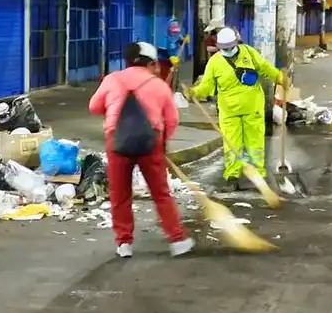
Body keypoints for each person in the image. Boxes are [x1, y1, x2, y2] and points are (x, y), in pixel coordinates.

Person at [89, 42, 194, 258]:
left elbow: (94, 107)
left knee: (120, 194)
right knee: (161, 194)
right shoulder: (158, 85)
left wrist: (113, 110)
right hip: (151, 143)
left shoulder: (112, 79)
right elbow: (172, 120)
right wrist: (162, 142)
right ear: (152, 63)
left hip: (117, 141)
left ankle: (124, 243)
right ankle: (177, 240)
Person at [189, 28, 289, 191]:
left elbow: (264, 67)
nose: (228, 51)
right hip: (228, 111)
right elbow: (207, 86)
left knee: (255, 144)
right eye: (224, 48)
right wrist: (194, 92)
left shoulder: (249, 53)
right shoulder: (214, 62)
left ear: (236, 43)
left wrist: (280, 78)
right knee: (232, 145)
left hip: (253, 107)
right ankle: (232, 177)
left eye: (230, 47)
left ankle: (258, 176)